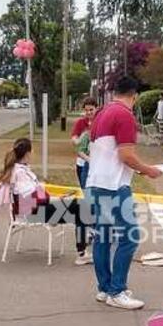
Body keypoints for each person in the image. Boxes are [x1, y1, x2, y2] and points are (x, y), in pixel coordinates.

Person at [87, 75, 162, 310]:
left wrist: (137, 170)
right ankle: (117, 290)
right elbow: (125, 155)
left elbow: (109, 152)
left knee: (103, 236)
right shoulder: (124, 115)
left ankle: (105, 287)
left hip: (97, 181)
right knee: (129, 238)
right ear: (135, 95)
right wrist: (148, 170)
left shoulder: (101, 113)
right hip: (114, 186)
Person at [0, 138, 89, 264]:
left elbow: (34, 195)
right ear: (27, 154)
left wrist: (55, 199)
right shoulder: (20, 173)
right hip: (33, 213)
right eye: (32, 150)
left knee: (77, 205)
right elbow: (32, 197)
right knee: (81, 208)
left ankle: (84, 246)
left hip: (33, 209)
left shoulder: (18, 170)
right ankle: (82, 253)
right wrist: (54, 200)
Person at [70, 97, 97, 265]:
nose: (88, 113)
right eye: (86, 110)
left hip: (98, 165)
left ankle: (94, 228)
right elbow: (74, 140)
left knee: (96, 197)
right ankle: (90, 229)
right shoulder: (81, 123)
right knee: (88, 197)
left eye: (91, 109)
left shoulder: (101, 121)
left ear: (96, 108)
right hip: (84, 164)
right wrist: (78, 141)